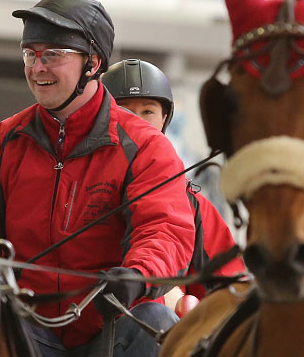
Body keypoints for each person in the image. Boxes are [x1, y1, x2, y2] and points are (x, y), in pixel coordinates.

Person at [0, 0, 194, 357]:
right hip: (24, 319)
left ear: (92, 63)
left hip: (112, 317)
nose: (37, 67)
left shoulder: (146, 146)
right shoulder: (0, 142)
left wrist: (137, 275)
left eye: (52, 54)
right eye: (30, 54)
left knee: (156, 323)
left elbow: (166, 229)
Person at [101, 59, 245, 310]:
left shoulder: (192, 204)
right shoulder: (77, 184)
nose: (137, 123)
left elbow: (229, 288)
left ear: (165, 118)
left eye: (147, 111)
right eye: (124, 112)